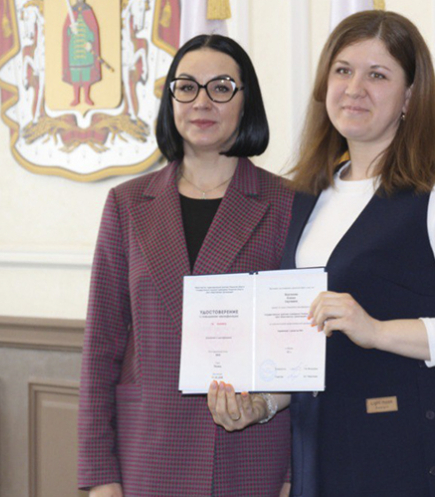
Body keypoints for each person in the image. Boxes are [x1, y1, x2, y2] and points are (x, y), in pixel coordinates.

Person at [208, 11, 435, 497]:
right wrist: (262, 404)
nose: (354, 88)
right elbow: (311, 350)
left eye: (377, 75)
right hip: (323, 457)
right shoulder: (307, 198)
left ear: (410, 97)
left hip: (410, 459)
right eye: (343, 70)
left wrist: (377, 331)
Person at [78, 34, 293, 497]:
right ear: (170, 99)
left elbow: (299, 346)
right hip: (149, 451)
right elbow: (101, 344)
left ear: (246, 101)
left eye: (221, 87)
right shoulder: (126, 204)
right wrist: (99, 474)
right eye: (187, 87)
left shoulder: (287, 203)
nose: (202, 101)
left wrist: (295, 474)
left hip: (250, 453)